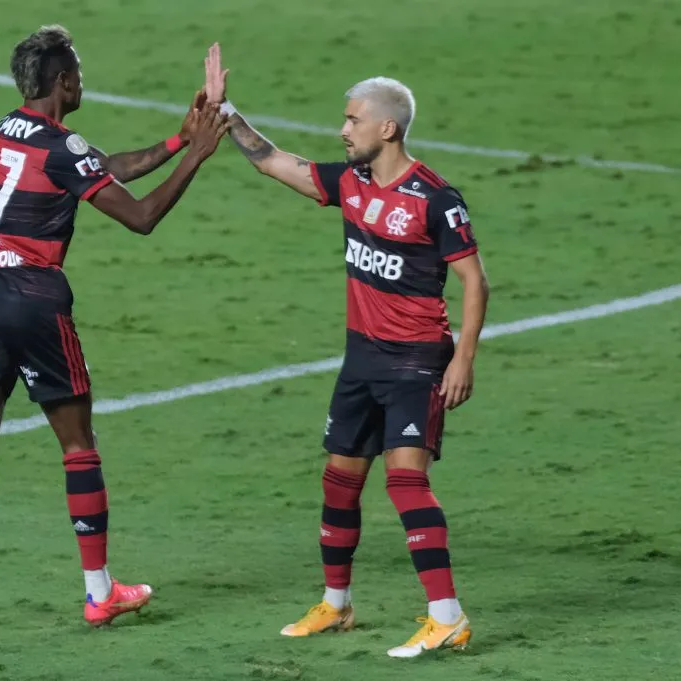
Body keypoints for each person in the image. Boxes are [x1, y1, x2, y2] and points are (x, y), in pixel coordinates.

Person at [0, 25, 229, 629]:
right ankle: (99, 592)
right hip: (31, 299)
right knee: (79, 446)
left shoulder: (11, 127)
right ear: (62, 81)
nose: (82, 79)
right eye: (77, 71)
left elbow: (98, 168)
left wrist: (176, 139)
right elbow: (140, 217)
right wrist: (198, 155)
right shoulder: (62, 146)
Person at [203, 44, 490, 658]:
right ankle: (336, 605)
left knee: (405, 482)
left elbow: (475, 281)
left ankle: (447, 616)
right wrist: (226, 112)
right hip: (361, 358)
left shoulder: (437, 199)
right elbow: (274, 161)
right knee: (340, 483)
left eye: (353, 119)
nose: (342, 129)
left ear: (387, 128)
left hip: (415, 361)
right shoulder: (351, 183)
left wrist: (463, 359)